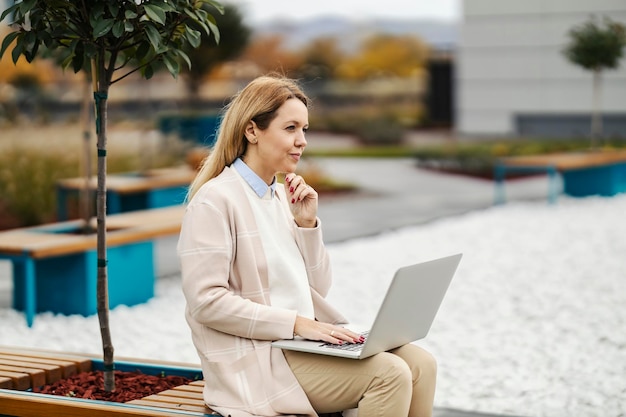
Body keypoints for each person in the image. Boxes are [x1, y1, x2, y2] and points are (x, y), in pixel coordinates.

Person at [177, 74, 437, 417]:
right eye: (290, 128)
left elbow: (318, 289)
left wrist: (307, 225)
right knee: (388, 376)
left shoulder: (280, 196)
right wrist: (298, 324)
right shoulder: (215, 201)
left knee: (421, 363)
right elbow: (206, 303)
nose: (301, 141)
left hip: (299, 347)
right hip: (259, 362)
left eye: (305, 129)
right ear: (252, 130)